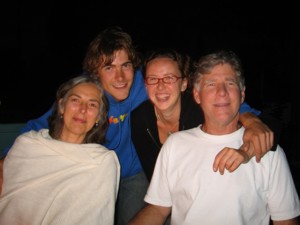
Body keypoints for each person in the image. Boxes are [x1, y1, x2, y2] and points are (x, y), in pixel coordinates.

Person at [0, 27, 276, 225]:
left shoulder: (147, 84)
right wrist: (6, 161)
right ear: (95, 73)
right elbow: (42, 125)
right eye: (109, 68)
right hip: (93, 169)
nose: (121, 77)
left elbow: (211, 93)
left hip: (134, 174)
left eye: (127, 65)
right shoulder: (89, 94)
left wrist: (250, 119)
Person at [128, 50, 300, 225]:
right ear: (197, 95)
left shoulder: (268, 151)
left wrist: (250, 139)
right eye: (211, 84)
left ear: (242, 94)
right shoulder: (167, 139)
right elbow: (158, 207)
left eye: (230, 83)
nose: (222, 92)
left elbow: (286, 220)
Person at [131, 48, 279, 182]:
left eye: (169, 78)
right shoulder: (139, 119)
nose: (160, 86)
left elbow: (270, 126)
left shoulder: (201, 109)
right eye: (153, 79)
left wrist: (252, 122)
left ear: (183, 84)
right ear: (145, 85)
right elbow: (154, 177)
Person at [0, 75, 120, 225]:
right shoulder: (28, 144)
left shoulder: (101, 162)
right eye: (75, 100)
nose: (82, 109)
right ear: (62, 106)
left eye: (92, 105)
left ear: (99, 117)